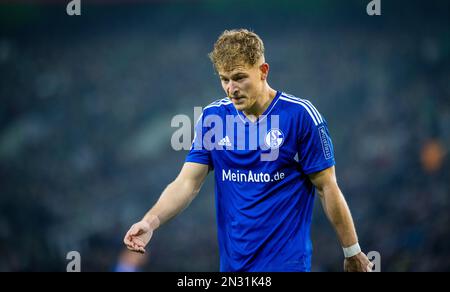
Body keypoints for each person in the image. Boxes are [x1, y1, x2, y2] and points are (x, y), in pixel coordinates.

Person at [124, 29, 373, 272]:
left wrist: (352, 252)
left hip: (286, 264)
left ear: (263, 71)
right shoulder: (213, 118)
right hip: (232, 267)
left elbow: (327, 187)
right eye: (224, 79)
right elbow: (187, 183)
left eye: (240, 77)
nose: (232, 88)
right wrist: (150, 222)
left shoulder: (300, 116)